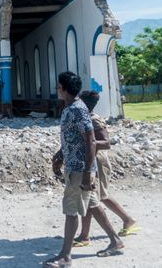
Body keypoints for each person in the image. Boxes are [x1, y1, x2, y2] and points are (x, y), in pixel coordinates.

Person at [44, 72, 124, 267]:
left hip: (79, 169)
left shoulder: (78, 109)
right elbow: (73, 138)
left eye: (58, 86)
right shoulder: (69, 108)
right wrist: (60, 154)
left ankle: (65, 256)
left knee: (71, 210)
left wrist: (88, 172)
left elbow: (90, 140)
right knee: (93, 205)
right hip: (74, 165)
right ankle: (115, 240)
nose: (57, 89)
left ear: (62, 88)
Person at [72, 91, 139, 247]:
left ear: (86, 105)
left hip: (98, 161)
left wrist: (89, 143)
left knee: (93, 196)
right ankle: (127, 220)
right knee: (97, 196)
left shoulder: (94, 120)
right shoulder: (86, 118)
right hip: (91, 159)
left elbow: (106, 142)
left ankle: (85, 236)